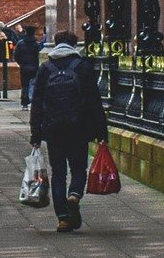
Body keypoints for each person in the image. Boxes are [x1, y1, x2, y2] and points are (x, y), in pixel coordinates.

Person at [29, 30, 108, 232]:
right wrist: (101, 132)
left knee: (58, 173)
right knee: (78, 168)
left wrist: (36, 134)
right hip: (78, 128)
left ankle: (63, 218)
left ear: (56, 44)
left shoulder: (46, 68)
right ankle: (74, 195)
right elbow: (94, 101)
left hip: (53, 129)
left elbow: (37, 103)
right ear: (74, 45)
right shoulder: (82, 66)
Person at [15, 25, 42, 108]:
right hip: (34, 67)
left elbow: (16, 56)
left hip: (24, 67)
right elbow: (39, 56)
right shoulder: (37, 44)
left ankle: (25, 103)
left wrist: (21, 63)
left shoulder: (20, 44)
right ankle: (33, 100)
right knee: (33, 84)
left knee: (24, 85)